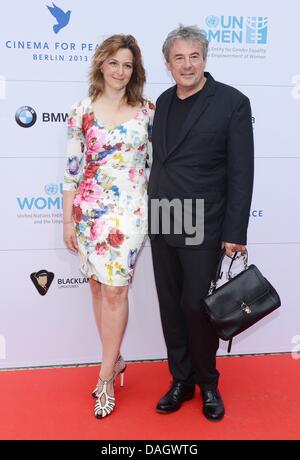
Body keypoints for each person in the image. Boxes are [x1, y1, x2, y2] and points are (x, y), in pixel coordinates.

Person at [148, 25, 254, 421]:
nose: (187, 64)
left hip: (203, 218)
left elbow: (241, 172)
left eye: (194, 56)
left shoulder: (231, 102)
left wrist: (234, 232)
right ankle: (181, 380)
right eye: (179, 57)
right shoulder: (162, 100)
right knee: (171, 306)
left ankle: (208, 383)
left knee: (197, 307)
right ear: (168, 63)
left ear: (205, 59)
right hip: (163, 214)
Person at [63, 34, 154, 419]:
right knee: (99, 287)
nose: (120, 71)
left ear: (135, 71)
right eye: (114, 62)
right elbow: (71, 173)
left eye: (128, 65)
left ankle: (103, 378)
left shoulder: (148, 110)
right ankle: (114, 361)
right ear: (101, 64)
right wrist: (68, 219)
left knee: (116, 291)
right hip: (89, 211)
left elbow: (158, 165)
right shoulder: (80, 110)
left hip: (130, 212)